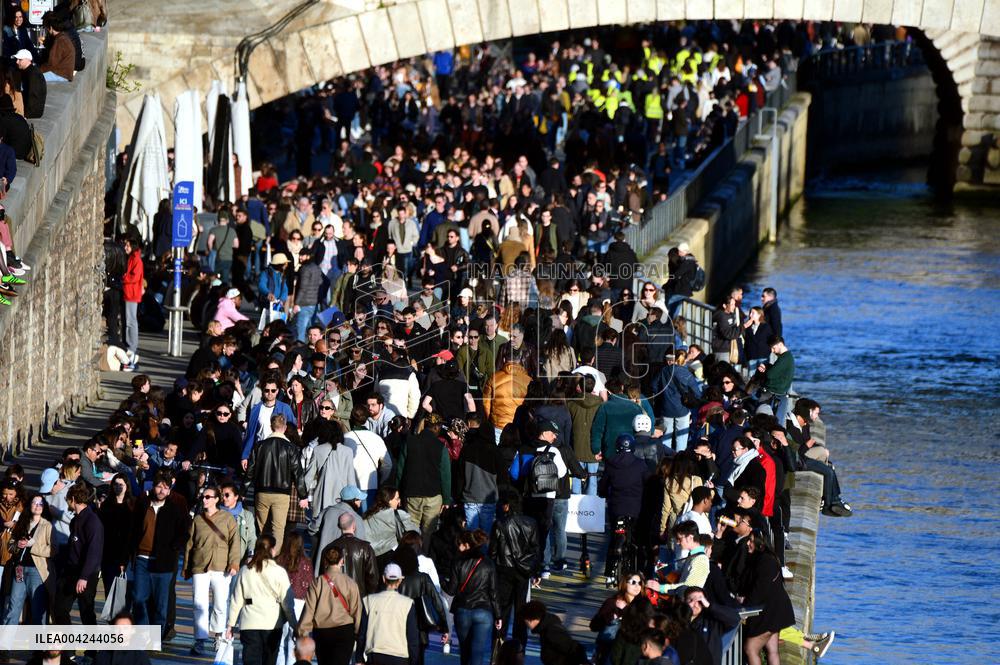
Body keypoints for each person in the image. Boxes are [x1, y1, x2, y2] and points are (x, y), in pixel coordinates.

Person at [130, 470, 189, 638]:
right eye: (159, 486)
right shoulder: (143, 505)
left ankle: (155, 638)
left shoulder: (175, 509)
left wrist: (173, 547)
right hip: (142, 559)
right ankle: (142, 636)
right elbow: (133, 530)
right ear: (153, 487)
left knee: (160, 605)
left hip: (164, 562)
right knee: (139, 598)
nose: (162, 490)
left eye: (165, 487)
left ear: (170, 490)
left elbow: (184, 532)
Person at [182, 485, 240, 655]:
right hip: (200, 566)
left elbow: (234, 543)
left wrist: (234, 563)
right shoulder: (198, 520)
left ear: (216, 499)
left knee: (220, 604)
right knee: (199, 604)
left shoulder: (228, 519)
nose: (205, 500)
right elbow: (189, 545)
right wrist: (186, 567)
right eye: (203, 497)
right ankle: (200, 639)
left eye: (208, 497)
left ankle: (218, 636)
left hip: (222, 567)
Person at [226, 535, 298, 665]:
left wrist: (230, 625)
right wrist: (294, 625)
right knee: (269, 660)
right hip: (272, 623)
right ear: (271, 550)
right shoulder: (279, 572)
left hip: (249, 622)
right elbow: (287, 603)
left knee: (250, 660)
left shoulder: (245, 570)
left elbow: (236, 600)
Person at [245, 414, 308, 552]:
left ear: (271, 426)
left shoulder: (260, 445)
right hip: (282, 493)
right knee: (278, 529)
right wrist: (303, 495)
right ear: (285, 428)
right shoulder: (291, 448)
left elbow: (250, 470)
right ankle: (274, 557)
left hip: (262, 491)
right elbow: (298, 473)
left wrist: (243, 492)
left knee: (262, 528)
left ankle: (262, 554)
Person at [491, 491, 540, 649]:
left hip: (503, 570)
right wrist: (534, 571)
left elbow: (492, 552)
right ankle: (519, 648)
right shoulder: (531, 523)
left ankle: (498, 647)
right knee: (521, 611)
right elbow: (536, 550)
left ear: (507, 506)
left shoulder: (499, 524)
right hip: (523, 572)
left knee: (501, 612)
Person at [298, 544, 362, 665]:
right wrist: (359, 633)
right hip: (344, 630)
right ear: (342, 561)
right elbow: (356, 611)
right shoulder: (350, 583)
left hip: (322, 632)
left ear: (325, 560)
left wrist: (302, 632)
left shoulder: (317, 582)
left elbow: (309, 610)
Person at [444, 530, 500, 665]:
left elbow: (451, 590)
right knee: (477, 652)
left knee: (465, 651)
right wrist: (498, 615)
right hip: (483, 610)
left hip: (462, 609)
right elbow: (493, 592)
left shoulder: (458, 562)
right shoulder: (488, 563)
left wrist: (441, 581)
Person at [51, 483, 104, 626]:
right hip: (70, 571)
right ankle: (67, 646)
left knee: (86, 612)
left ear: (73, 499)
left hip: (86, 574)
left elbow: (94, 552)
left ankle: (92, 648)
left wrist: (84, 576)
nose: (67, 503)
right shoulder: (75, 520)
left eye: (67, 499)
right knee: (59, 608)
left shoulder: (92, 522)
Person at [740, 534, 795, 665]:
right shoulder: (767, 559)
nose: (748, 543)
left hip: (769, 612)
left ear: (760, 543)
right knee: (772, 650)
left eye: (751, 541)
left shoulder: (765, 561)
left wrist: (746, 607)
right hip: (776, 609)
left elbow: (760, 589)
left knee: (750, 649)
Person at [396, 413, 452, 537]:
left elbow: (400, 469)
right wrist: (446, 498)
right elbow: (445, 476)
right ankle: (425, 554)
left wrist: (397, 490)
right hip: (433, 496)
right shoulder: (441, 447)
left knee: (411, 532)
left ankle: (412, 555)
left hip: (412, 494)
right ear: (437, 428)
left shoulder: (409, 442)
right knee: (428, 533)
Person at [2, 494, 52, 625]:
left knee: (37, 610)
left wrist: (33, 545)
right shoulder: (22, 523)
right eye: (34, 503)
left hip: (37, 571)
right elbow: (10, 546)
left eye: (40, 503)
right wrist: (17, 545)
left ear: (44, 506)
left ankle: (38, 644)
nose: (37, 506)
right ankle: (5, 644)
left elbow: (52, 550)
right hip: (19, 569)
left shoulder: (47, 525)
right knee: (13, 608)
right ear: (29, 505)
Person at [357, 563, 420, 665]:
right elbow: (412, 637)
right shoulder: (407, 604)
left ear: (383, 579)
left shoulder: (369, 600)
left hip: (375, 654)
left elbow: (362, 633)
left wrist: (359, 658)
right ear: (399, 581)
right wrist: (414, 661)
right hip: (399, 656)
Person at [276, 532, 315, 665]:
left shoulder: (279, 560)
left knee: (280, 643)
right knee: (295, 642)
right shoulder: (306, 563)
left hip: (281, 602)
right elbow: (310, 585)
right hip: (300, 603)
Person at [520, 600, 589, 665]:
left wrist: (584, 662)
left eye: (525, 621)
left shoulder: (551, 631)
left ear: (531, 619)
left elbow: (573, 647)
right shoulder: (546, 628)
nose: (526, 624)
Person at [684, 587, 740, 665]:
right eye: (691, 600)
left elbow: (735, 619)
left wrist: (710, 606)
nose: (695, 604)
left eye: (699, 601)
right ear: (684, 602)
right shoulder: (678, 622)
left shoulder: (712, 621)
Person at [330, 512, 379, 597]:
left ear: (338, 526)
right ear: (354, 526)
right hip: (359, 598)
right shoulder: (365, 548)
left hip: (336, 598)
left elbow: (324, 576)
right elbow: (373, 578)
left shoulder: (330, 548)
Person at [122, 234, 144, 368]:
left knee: (131, 320)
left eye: (128, 245)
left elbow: (134, 277)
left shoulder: (136, 260)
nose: (125, 247)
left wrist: (123, 278)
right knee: (129, 320)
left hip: (131, 293)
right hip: (129, 292)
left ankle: (132, 346)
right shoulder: (132, 258)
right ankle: (129, 344)